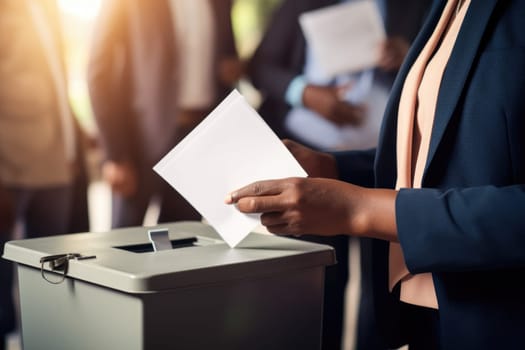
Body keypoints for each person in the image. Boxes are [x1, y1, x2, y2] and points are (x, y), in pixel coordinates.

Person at [226, 0, 525, 348]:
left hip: (498, 313)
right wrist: (337, 169)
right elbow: (447, 148)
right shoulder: (445, 6)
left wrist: (362, 208)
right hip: (433, 306)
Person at [248, 0, 431, 348]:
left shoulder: (415, 6)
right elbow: (260, 65)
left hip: (387, 168)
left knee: (382, 293)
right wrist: (305, 93)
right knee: (318, 287)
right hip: (311, 163)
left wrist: (408, 54)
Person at [88, 0, 242, 228]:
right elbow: (99, 71)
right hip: (139, 141)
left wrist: (233, 67)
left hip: (199, 137)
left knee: (183, 240)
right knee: (125, 243)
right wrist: (115, 154)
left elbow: (227, 55)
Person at [0, 0, 89, 348]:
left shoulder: (45, 7)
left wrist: (74, 137)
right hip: (10, 166)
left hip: (55, 162)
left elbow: (56, 77)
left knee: (51, 281)